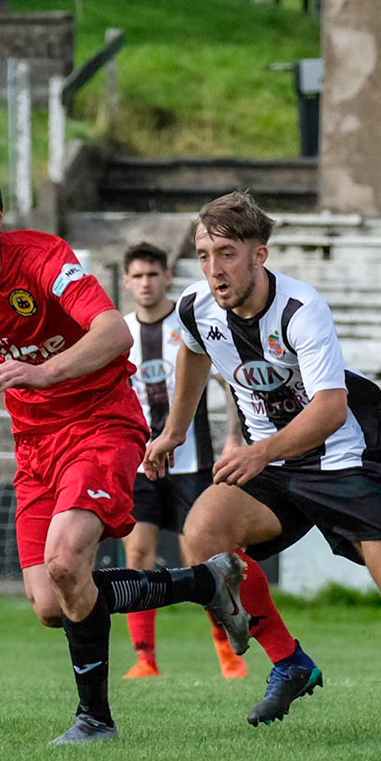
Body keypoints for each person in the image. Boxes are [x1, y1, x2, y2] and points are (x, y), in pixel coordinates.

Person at [145, 191, 381, 730]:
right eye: (203, 254)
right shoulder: (196, 307)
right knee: (201, 536)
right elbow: (194, 350)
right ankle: (289, 663)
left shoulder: (299, 308)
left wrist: (258, 449)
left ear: (259, 255)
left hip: (341, 462)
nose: (213, 269)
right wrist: (173, 432)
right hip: (271, 465)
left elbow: (332, 409)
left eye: (226, 253)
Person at [0, 163, 249, 745]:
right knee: (53, 602)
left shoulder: (44, 258)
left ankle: (95, 720)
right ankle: (204, 583)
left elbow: (114, 334)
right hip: (33, 446)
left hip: (100, 424)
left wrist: (43, 371)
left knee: (69, 562)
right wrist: (22, 371)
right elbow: (7, 340)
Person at [116, 240, 251, 682]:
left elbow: (229, 380)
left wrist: (235, 434)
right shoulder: (119, 332)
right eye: (136, 275)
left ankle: (229, 656)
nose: (145, 283)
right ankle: (144, 659)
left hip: (192, 461)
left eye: (152, 274)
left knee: (202, 555)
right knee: (137, 551)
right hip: (140, 463)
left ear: (167, 277)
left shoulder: (190, 322)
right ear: (125, 282)